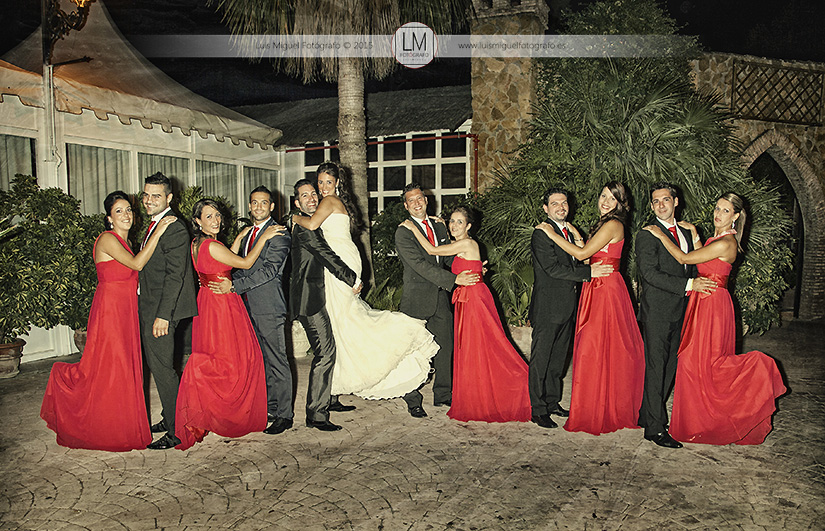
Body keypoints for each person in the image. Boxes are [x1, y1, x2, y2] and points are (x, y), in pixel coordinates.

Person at [293, 164, 441, 408]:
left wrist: (292, 217)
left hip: (340, 265)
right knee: (342, 326)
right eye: (319, 182)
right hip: (345, 260)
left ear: (337, 183)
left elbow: (310, 225)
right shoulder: (334, 202)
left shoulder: (328, 202)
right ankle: (333, 390)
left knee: (346, 324)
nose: (322, 187)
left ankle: (338, 388)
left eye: (328, 182)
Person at [643, 192, 786, 445]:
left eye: (725, 211)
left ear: (736, 216)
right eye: (717, 208)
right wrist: (696, 236)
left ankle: (756, 375)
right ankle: (696, 420)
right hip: (703, 301)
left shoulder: (727, 242)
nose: (718, 214)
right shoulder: (715, 239)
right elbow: (704, 260)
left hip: (713, 305)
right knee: (695, 364)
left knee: (705, 364)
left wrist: (660, 234)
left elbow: (685, 259)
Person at [41, 191, 175, 451]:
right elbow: (137, 265)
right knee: (111, 368)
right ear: (109, 219)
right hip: (111, 312)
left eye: (128, 210)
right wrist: (158, 232)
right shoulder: (107, 239)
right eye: (119, 211)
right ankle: (101, 421)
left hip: (126, 311)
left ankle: (121, 424)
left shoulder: (127, 242)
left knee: (124, 368)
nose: (126, 215)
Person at [400, 206, 531, 422]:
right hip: (466, 299)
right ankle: (478, 392)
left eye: (460, 222)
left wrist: (413, 227)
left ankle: (519, 383)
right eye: (452, 221)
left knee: (486, 345)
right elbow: (451, 259)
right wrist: (439, 223)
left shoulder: (467, 243)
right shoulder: (458, 245)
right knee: (474, 347)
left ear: (469, 226)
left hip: (474, 299)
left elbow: (433, 251)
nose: (454, 225)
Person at [536, 181, 644, 435]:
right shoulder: (607, 223)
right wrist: (571, 230)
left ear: (621, 203)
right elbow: (590, 248)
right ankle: (596, 403)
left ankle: (599, 406)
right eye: (603, 195)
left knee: (597, 347)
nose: (605, 201)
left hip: (604, 289)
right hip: (598, 286)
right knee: (597, 348)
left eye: (612, 198)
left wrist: (552, 234)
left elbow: (583, 254)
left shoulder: (612, 224)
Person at [174, 199, 282, 450]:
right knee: (238, 357)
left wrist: (240, 237)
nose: (216, 220)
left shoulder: (198, 243)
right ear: (198, 221)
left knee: (219, 354)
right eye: (209, 217)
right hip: (222, 304)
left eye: (217, 216)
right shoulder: (211, 244)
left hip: (208, 301)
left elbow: (222, 260)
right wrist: (264, 237)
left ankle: (213, 407)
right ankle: (228, 411)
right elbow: (242, 263)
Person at [207, 186, 294, 436]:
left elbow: (269, 271)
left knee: (277, 360)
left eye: (263, 203)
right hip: (245, 306)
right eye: (254, 203)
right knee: (260, 360)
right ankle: (270, 406)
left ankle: (284, 415)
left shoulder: (278, 234)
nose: (258, 207)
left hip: (268, 307)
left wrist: (233, 286)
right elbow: (238, 265)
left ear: (272, 207)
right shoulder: (247, 235)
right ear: (249, 206)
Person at [635, 183, 716, 449]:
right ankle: (655, 429)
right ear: (651, 206)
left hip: (683, 309)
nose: (661, 205)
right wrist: (689, 286)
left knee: (670, 366)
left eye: (665, 200)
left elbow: (693, 264)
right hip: (657, 310)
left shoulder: (686, 231)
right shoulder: (647, 234)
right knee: (657, 367)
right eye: (655, 201)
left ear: (676, 201)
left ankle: (647, 414)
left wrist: (695, 287)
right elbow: (649, 274)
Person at [529, 188, 613, 429]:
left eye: (564, 203)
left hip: (568, 306)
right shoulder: (542, 233)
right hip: (548, 306)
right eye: (554, 203)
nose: (560, 207)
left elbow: (580, 255)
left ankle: (552, 401)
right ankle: (537, 408)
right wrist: (588, 274)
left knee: (558, 359)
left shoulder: (566, 232)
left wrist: (576, 237)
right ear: (545, 208)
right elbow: (553, 269)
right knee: (541, 359)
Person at [394, 183, 480, 418]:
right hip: (416, 300)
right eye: (411, 200)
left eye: (419, 198)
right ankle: (412, 398)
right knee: (413, 352)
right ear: (406, 205)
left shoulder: (440, 226)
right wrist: (454, 280)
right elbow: (420, 266)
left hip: (441, 298)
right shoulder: (404, 231)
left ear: (426, 200)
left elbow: (448, 258)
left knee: (446, 347)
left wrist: (471, 266)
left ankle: (443, 393)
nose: (417, 203)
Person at [290, 178, 361, 431]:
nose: (311, 198)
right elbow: (327, 256)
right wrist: (351, 278)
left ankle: (329, 399)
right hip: (310, 300)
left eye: (313, 194)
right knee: (325, 353)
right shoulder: (306, 228)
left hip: (320, 295)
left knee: (333, 344)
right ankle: (316, 415)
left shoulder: (314, 224)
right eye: (304, 196)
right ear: (297, 202)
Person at [139, 172, 198, 450]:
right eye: (146, 195)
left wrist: (163, 315)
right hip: (152, 305)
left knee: (163, 369)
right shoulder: (156, 224)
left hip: (163, 310)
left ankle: (176, 431)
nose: (149, 201)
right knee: (159, 365)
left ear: (169, 198)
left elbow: (176, 276)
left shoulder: (173, 227)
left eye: (156, 196)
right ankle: (168, 416)